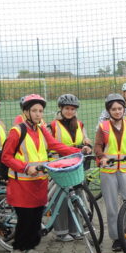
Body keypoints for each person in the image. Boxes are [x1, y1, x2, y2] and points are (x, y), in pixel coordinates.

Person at [1, 94, 80, 253]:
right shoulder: (17, 131)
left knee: (36, 219)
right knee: (25, 219)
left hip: (39, 181)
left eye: (40, 111)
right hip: (21, 183)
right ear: (26, 112)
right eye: (34, 111)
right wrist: (25, 167)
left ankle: (30, 248)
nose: (38, 114)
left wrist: (76, 151)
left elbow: (55, 145)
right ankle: (17, 249)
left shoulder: (42, 130)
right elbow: (6, 157)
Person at [94, 94, 126, 252]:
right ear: (109, 111)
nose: (117, 111)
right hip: (109, 170)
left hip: (125, 168)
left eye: (120, 108)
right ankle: (116, 238)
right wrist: (102, 157)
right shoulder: (103, 126)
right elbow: (97, 146)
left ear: (123, 110)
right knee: (112, 206)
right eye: (114, 109)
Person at [50, 93, 93, 242]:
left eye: (73, 109)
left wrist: (87, 142)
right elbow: (49, 145)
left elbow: (84, 139)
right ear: (61, 109)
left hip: (76, 165)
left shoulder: (80, 124)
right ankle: (62, 232)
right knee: (61, 198)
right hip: (60, 166)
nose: (70, 111)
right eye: (67, 108)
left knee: (77, 196)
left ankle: (76, 229)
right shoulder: (53, 125)